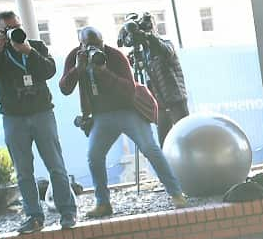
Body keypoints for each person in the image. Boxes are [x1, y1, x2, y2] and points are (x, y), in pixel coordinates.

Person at [59, 26, 188, 217]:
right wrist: (77, 70)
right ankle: (103, 203)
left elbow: (130, 90)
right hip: (101, 115)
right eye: (90, 46)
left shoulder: (115, 56)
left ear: (104, 42)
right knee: (94, 156)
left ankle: (176, 193)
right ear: (81, 45)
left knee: (150, 148)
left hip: (129, 110)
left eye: (99, 45)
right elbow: (64, 88)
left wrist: (104, 72)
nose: (95, 50)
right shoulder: (74, 57)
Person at [0, 10, 78, 233]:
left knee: (56, 165)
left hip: (42, 112)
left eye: (16, 27)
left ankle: (67, 211)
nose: (14, 32)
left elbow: (49, 70)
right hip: (13, 117)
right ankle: (34, 216)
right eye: (7, 29)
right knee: (23, 171)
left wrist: (29, 52)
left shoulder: (36, 46)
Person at [121, 12, 189, 143]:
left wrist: (148, 37)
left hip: (175, 100)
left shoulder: (165, 43)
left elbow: (165, 51)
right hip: (160, 104)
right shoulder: (143, 53)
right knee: (164, 142)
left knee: (186, 136)